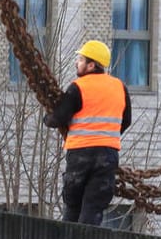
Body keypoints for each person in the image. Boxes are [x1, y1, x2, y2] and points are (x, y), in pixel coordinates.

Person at [43, 40, 131, 226]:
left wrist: (47, 118)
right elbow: (126, 120)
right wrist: (107, 136)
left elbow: (57, 118)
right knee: (94, 206)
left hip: (80, 154)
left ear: (91, 65)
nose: (77, 62)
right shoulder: (120, 87)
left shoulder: (78, 87)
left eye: (80, 59)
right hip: (108, 155)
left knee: (73, 205)